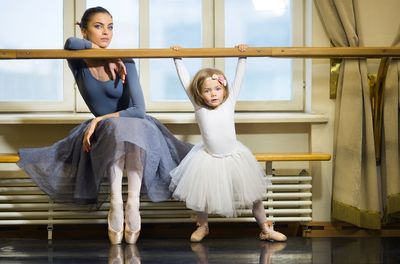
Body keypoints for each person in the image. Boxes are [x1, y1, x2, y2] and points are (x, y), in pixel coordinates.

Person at [17, 6, 192, 245]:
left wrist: (99, 118)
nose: (106, 33)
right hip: (105, 132)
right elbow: (70, 42)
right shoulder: (77, 60)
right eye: (98, 26)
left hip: (135, 126)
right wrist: (107, 55)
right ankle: (116, 203)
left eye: (110, 27)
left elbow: (139, 110)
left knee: (127, 127)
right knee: (116, 129)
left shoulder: (126, 59)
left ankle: (131, 203)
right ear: (84, 30)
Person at [169, 44, 287, 243]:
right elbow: (185, 81)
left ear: (224, 90)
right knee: (201, 195)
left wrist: (243, 56)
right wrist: (177, 58)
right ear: (199, 94)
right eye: (207, 91)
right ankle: (203, 226)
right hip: (207, 157)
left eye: (217, 89)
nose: (213, 94)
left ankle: (265, 228)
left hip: (235, 156)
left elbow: (239, 79)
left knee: (254, 195)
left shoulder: (229, 102)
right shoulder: (199, 108)